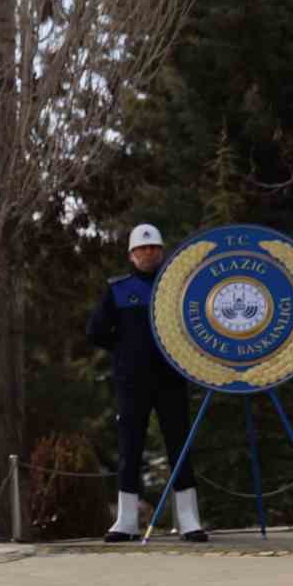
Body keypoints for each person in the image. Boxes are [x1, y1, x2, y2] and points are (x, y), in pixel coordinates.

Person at [86, 223, 207, 543]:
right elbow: (96, 331)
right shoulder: (118, 289)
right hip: (132, 381)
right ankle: (126, 522)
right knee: (130, 448)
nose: (148, 253)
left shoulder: (177, 287)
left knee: (179, 445)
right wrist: (126, 349)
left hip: (171, 379)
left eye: (153, 248)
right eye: (141, 249)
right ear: (131, 254)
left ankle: (189, 519)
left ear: (162, 251)